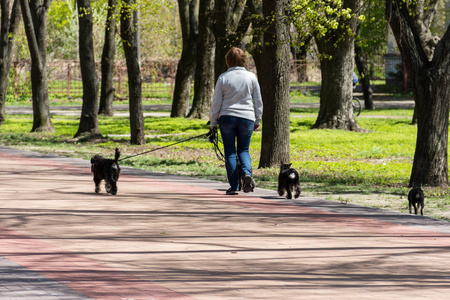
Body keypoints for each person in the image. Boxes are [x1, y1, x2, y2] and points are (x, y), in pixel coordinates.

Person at [209, 47, 263, 195]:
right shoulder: (251, 77)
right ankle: (247, 173)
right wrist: (258, 118)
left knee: (230, 152)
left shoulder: (223, 78)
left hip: (227, 117)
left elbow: (216, 103)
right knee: (244, 150)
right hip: (247, 117)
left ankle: (234, 186)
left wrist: (213, 122)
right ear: (244, 60)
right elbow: (258, 100)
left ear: (228, 61)